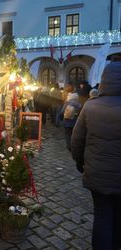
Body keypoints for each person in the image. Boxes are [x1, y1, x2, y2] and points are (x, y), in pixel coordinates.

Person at [71, 61, 121, 250]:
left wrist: (80, 163)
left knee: (102, 216)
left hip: (98, 175)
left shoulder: (91, 106)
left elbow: (77, 140)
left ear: (104, 81)